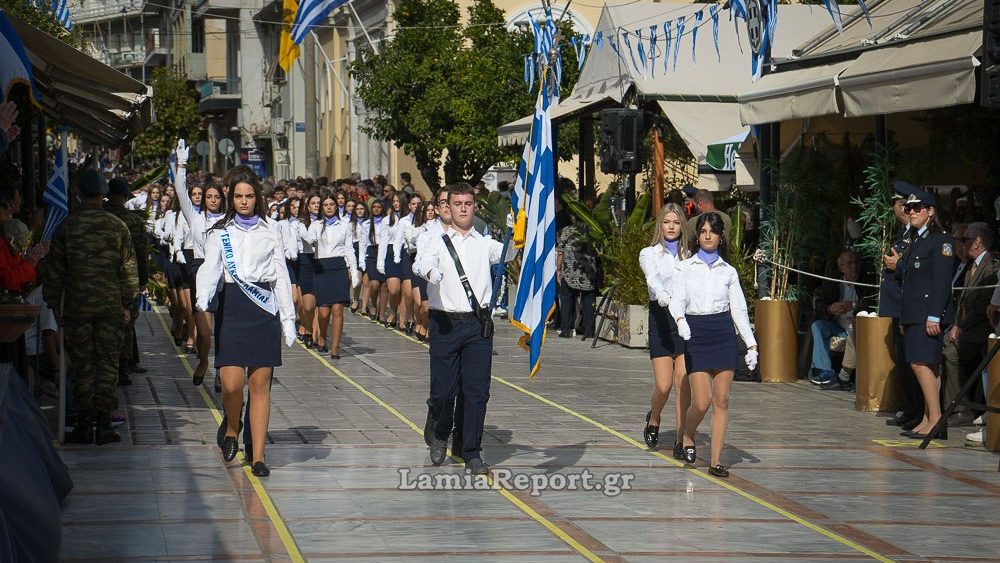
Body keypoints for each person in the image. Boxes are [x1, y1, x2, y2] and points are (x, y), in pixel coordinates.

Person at [195, 166, 296, 477]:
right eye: (238, 196)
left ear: (257, 198)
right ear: (231, 197)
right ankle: (232, 424)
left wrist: (287, 319)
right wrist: (202, 298)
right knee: (231, 384)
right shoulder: (219, 233)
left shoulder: (271, 231)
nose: (243, 201)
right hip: (234, 306)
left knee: (260, 384)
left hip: (263, 309)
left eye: (249, 196)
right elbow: (210, 268)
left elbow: (280, 275)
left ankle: (260, 456)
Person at [414, 183, 511, 474]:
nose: (464, 209)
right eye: (458, 204)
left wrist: (515, 233)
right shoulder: (435, 239)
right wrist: (431, 271)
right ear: (449, 207)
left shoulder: (484, 242)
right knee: (443, 391)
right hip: (445, 322)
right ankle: (441, 429)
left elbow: (507, 254)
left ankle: (471, 451)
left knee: (477, 391)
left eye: (468, 204)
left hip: (477, 325)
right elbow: (423, 261)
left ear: (474, 207)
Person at [42, 169, 139, 444]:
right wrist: (127, 305)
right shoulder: (117, 226)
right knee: (107, 364)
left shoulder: (67, 227)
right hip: (110, 308)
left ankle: (84, 424)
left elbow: (54, 272)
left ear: (80, 194)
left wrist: (55, 307)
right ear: (103, 194)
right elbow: (129, 271)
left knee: (82, 366)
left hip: (77, 308)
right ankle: (105, 424)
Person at [669, 212, 757, 478]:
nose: (708, 235)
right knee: (703, 400)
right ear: (697, 236)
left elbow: (739, 310)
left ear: (720, 237)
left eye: (713, 231)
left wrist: (752, 345)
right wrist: (681, 320)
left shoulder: (728, 272)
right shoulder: (685, 267)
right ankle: (688, 432)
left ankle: (716, 461)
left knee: (722, 400)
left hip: (723, 334)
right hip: (696, 333)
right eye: (704, 231)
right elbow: (677, 300)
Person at [896, 189, 956, 440]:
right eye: (908, 209)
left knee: (921, 364)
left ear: (931, 212)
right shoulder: (917, 240)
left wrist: (935, 315)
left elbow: (942, 282)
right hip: (914, 312)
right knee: (927, 365)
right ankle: (928, 417)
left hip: (926, 313)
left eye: (917, 208)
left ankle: (936, 420)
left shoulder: (941, 241)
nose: (911, 212)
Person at [173, 142, 227, 385]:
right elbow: (180, 190)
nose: (213, 200)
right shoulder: (194, 217)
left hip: (225, 274)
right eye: (209, 196)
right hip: (199, 270)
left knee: (224, 329)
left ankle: (221, 370)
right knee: (205, 332)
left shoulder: (229, 220)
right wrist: (181, 164)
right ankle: (205, 360)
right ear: (203, 199)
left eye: (217, 196)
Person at [639, 203, 690, 458]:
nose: (671, 227)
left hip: (684, 321)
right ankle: (655, 417)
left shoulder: (690, 255)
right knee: (664, 385)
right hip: (661, 317)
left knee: (683, 383)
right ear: (660, 224)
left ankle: (681, 439)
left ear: (683, 226)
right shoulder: (649, 253)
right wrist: (660, 293)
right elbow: (651, 277)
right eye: (667, 222)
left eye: (676, 222)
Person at [943, 222, 997, 425]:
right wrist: (956, 324)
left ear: (977, 243)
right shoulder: (971, 266)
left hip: (983, 328)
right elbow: (963, 302)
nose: (961, 244)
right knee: (943, 344)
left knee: (951, 352)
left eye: (964, 240)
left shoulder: (992, 266)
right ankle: (950, 406)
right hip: (968, 326)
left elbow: (984, 303)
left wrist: (961, 326)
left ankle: (960, 410)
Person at [880, 181, 924, 431]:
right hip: (899, 307)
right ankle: (911, 408)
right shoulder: (907, 235)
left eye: (897, 204)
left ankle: (918, 410)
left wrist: (899, 265)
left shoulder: (917, 237)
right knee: (904, 360)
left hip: (907, 307)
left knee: (912, 361)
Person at [106, 177, 150, 387]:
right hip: (125, 279)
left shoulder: (96, 215)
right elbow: (141, 252)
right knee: (126, 323)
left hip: (96, 281)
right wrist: (142, 279)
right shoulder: (132, 220)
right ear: (125, 197)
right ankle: (123, 367)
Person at [306, 192, 359, 357]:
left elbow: (349, 249)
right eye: (325, 205)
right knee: (323, 312)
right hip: (321, 267)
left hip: (338, 267)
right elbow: (309, 240)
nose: (328, 207)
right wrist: (309, 235)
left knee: (338, 309)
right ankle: (322, 335)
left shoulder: (345, 225)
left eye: (331, 204)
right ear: (321, 207)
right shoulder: (316, 225)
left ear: (336, 206)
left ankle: (335, 347)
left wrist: (354, 271)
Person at [808, 250, 862, 390]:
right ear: (842, 267)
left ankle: (844, 375)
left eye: (856, 263)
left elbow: (872, 301)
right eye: (849, 264)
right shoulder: (835, 282)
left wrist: (854, 306)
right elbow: (820, 302)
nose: (854, 267)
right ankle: (825, 372)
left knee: (853, 328)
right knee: (818, 326)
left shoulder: (864, 283)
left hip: (856, 328)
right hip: (838, 327)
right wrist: (830, 308)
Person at [556, 213, 600, 339]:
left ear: (572, 217)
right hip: (588, 270)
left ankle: (566, 329)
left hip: (570, 270)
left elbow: (560, 252)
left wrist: (558, 269)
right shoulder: (592, 230)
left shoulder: (568, 230)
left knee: (566, 299)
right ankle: (589, 330)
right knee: (588, 301)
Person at [296, 192, 321, 347]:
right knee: (307, 305)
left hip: (322, 260)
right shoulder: (301, 223)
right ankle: (307, 327)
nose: (317, 206)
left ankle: (317, 334)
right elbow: (308, 239)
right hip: (305, 259)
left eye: (319, 203)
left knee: (321, 301)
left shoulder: (327, 222)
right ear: (308, 206)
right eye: (313, 203)